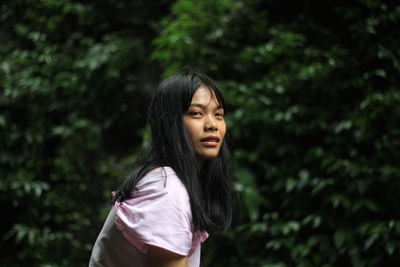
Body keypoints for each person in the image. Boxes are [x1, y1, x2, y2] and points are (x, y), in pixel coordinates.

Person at [89, 69, 233, 267]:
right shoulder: (167, 190)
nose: (212, 125)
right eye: (197, 113)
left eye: (218, 114)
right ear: (170, 123)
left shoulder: (169, 181)